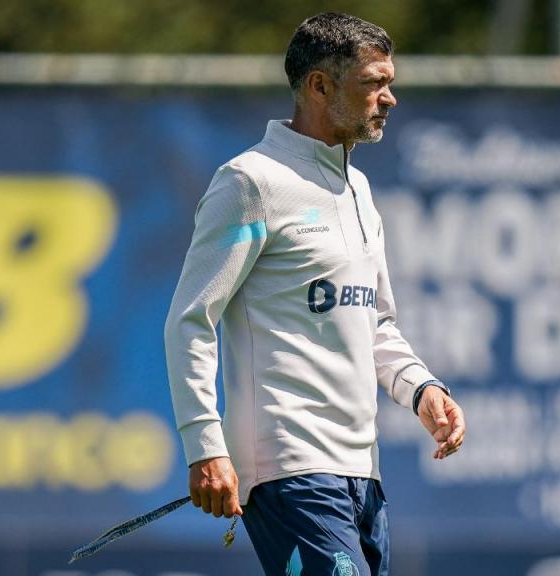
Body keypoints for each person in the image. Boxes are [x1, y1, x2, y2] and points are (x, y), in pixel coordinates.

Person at [164, 11, 466, 576]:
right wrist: (205, 445)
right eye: (373, 83)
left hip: (362, 471)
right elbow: (191, 320)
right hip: (289, 465)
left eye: (389, 82)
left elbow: (374, 321)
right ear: (319, 86)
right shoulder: (250, 182)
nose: (390, 98)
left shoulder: (358, 186)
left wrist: (422, 388)